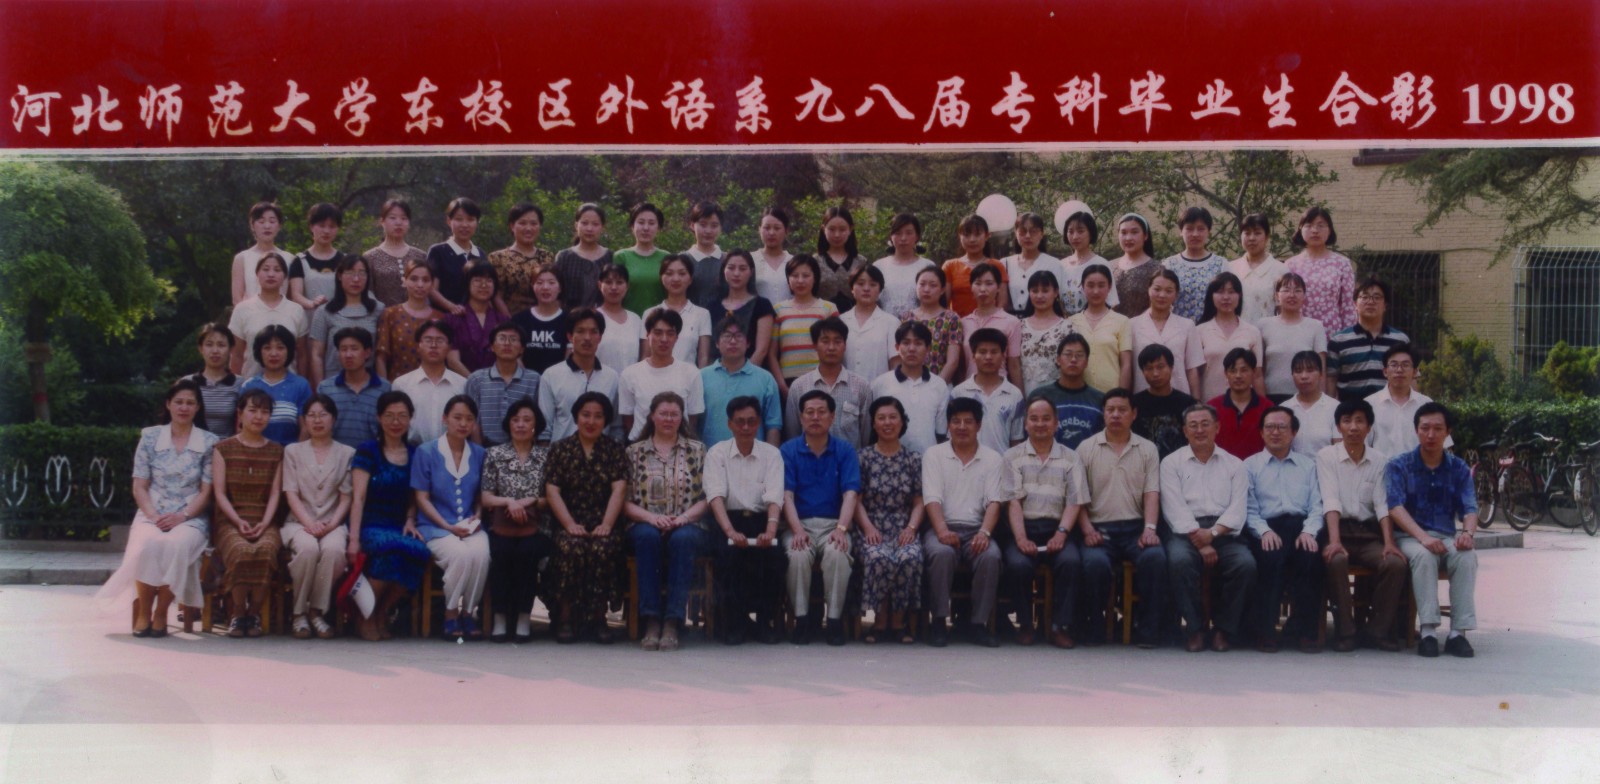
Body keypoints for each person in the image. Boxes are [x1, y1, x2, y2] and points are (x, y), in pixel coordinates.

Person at [99, 379, 219, 638]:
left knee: (176, 545)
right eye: (179, 402)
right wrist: (154, 516)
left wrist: (182, 516)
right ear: (168, 404)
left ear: (198, 407)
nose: (184, 408)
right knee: (147, 544)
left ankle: (162, 612)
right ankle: (145, 611)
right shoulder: (150, 437)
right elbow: (139, 486)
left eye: (190, 403)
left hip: (190, 515)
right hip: (152, 512)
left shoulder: (209, 442)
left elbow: (206, 491)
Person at [1385, 402, 1480, 658]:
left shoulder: (1459, 468)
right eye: (1425, 428)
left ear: (1447, 432)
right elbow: (1394, 507)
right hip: (1410, 537)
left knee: (1466, 556)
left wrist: (1467, 534)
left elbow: (1470, 507)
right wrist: (1423, 537)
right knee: (1424, 556)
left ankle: (1458, 633)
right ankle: (1427, 632)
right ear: (1416, 430)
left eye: (1438, 429)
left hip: (1446, 537)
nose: (1431, 434)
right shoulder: (1399, 465)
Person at [1072, 390, 1165, 648]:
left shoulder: (1147, 449)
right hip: (1099, 530)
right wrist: (1087, 530)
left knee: (1155, 558)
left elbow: (1151, 492)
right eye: (1110, 410)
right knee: (1095, 564)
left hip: (1136, 528)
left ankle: (1146, 629)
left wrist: (1149, 528)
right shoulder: (1086, 448)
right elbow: (1077, 497)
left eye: (1122, 410)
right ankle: (1096, 626)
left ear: (1134, 414)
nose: (1115, 415)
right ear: (1103, 414)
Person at [1162, 404, 1254, 652]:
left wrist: (1212, 534)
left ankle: (1223, 629)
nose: (1199, 430)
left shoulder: (1235, 464)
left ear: (1217, 427)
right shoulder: (1171, 463)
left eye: (1205, 424)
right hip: (1186, 532)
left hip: (1223, 532)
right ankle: (1195, 629)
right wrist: (1200, 541)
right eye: (1193, 425)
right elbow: (1174, 507)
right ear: (1184, 430)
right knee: (1179, 561)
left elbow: (1237, 509)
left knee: (1245, 565)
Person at [921, 397, 1012, 647]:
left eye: (968, 422)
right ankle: (939, 621)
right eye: (956, 421)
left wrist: (985, 533)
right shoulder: (934, 454)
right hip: (942, 526)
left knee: (991, 556)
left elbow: (994, 501)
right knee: (941, 554)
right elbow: (931, 498)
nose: (962, 427)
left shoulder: (993, 458)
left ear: (979, 425)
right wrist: (942, 531)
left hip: (977, 528)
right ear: (948, 425)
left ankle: (978, 624)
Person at [1318, 399, 1407, 653]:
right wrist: (1335, 541)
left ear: (1369, 427)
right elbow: (1330, 499)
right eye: (1347, 421)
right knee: (1336, 560)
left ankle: (1376, 631)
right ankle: (1346, 632)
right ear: (1338, 427)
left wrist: (1389, 543)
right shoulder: (1326, 457)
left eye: (1360, 421)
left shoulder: (1380, 460)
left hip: (1368, 534)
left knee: (1394, 563)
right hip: (1338, 530)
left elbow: (1382, 503)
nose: (1353, 427)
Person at [623, 393, 710, 652]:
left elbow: (708, 498)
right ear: (652, 416)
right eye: (663, 413)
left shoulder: (697, 450)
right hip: (644, 523)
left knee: (684, 539)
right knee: (647, 536)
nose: (669, 419)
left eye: (674, 414)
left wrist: (682, 519)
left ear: (682, 418)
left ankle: (672, 620)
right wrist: (652, 518)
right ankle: (651, 620)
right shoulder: (634, 452)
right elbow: (624, 502)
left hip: (688, 523)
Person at [1000, 396, 1088, 647]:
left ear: (1056, 423)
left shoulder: (1071, 457)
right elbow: (1013, 502)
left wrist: (1061, 533)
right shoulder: (1012, 456)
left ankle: (1059, 626)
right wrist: (1020, 538)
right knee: (1018, 565)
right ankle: (1026, 624)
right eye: (1034, 419)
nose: (1040, 424)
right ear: (1026, 424)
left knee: (1071, 562)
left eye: (1046, 419)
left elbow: (1074, 501)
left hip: (1057, 528)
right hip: (1023, 529)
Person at [1242, 406, 1325, 653]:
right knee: (1271, 560)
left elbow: (1317, 505)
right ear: (1261, 432)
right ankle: (1265, 631)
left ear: (1294, 432)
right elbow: (1248, 509)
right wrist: (1264, 532)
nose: (1275, 432)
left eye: (1282, 427)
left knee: (1310, 559)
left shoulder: (1308, 465)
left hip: (1301, 526)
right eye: (1270, 427)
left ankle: (1305, 632)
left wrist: (1309, 532)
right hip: (1267, 527)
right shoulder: (1249, 466)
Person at [705, 395, 788, 645]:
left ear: (759, 422)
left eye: (751, 421)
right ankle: (736, 623)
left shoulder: (772, 454)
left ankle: (764, 623)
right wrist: (730, 531)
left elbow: (775, 496)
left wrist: (771, 530)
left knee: (774, 558)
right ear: (729, 424)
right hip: (727, 520)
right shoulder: (717, 453)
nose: (745, 427)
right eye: (739, 421)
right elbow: (715, 496)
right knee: (728, 557)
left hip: (762, 520)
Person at [781, 390, 861, 646]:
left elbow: (851, 494)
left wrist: (841, 528)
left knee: (838, 552)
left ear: (832, 416)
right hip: (799, 524)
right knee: (797, 555)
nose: (815, 417)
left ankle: (834, 621)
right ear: (801, 417)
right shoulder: (788, 450)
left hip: (833, 524)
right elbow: (786, 496)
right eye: (809, 412)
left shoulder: (845, 450)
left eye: (821, 412)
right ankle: (802, 620)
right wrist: (797, 530)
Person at [347, 391, 427, 641]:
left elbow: (414, 497)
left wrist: (411, 519)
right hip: (370, 523)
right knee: (390, 550)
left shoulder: (415, 453)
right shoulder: (367, 451)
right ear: (379, 418)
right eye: (390, 416)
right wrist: (353, 539)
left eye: (402, 416)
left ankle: (381, 612)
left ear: (410, 418)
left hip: (399, 524)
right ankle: (365, 616)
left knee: (419, 551)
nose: (396, 422)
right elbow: (358, 497)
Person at [410, 395, 490, 640]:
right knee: (460, 555)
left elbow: (481, 494)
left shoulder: (479, 453)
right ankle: (450, 612)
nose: (463, 424)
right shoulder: (426, 451)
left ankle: (468, 612)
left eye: (469, 419)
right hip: (435, 526)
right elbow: (421, 497)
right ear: (445, 419)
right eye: (457, 417)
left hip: (469, 525)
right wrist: (447, 526)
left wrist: (478, 515)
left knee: (481, 554)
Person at [478, 398, 554, 644]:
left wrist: (531, 501)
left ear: (535, 426)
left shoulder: (546, 456)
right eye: (515, 420)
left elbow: (551, 499)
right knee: (501, 551)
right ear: (508, 424)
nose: (520, 424)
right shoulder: (494, 454)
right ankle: (500, 616)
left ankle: (523, 616)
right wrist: (509, 502)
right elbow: (486, 497)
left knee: (527, 552)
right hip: (501, 525)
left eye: (526, 420)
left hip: (538, 526)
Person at [211, 389, 286, 638]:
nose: (258, 416)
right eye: (252, 410)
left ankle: (253, 613)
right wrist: (237, 520)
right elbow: (220, 493)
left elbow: (275, 493)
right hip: (230, 520)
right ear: (240, 414)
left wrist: (265, 523)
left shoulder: (277, 451)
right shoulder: (222, 449)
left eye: (265, 412)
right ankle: (237, 612)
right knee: (241, 551)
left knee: (265, 550)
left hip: (265, 519)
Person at [279, 394, 355, 639]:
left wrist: (332, 524)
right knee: (308, 549)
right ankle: (299, 613)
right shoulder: (293, 451)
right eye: (311, 415)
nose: (317, 420)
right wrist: (309, 524)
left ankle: (316, 612)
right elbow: (291, 493)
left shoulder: (347, 453)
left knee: (334, 551)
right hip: (299, 522)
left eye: (323, 414)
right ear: (304, 420)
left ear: (334, 419)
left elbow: (346, 496)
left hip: (333, 522)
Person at [854, 397, 924, 645]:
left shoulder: (913, 459)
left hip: (904, 527)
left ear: (902, 422)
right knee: (878, 557)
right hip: (871, 526)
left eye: (893, 417)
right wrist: (868, 528)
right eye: (881, 418)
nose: (887, 423)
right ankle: (879, 622)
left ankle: (899, 622)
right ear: (873, 424)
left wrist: (911, 528)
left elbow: (919, 502)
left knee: (910, 556)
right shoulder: (863, 457)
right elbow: (856, 501)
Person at [785, 316, 874, 447]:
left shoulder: (861, 386)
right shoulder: (799, 387)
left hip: (849, 460)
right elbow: (792, 434)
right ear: (815, 346)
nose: (831, 347)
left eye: (837, 341)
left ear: (845, 346)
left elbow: (866, 436)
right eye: (825, 341)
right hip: (809, 459)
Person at [538, 308, 622, 444]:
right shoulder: (551, 375)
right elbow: (544, 430)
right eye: (580, 331)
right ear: (570, 336)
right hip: (561, 454)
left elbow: (616, 426)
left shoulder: (612, 377)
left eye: (593, 332)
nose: (587, 337)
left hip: (601, 455)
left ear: (600, 337)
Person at [619, 309, 705, 440]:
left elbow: (693, 418)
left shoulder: (691, 373)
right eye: (658, 333)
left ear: (676, 338)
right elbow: (628, 418)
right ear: (648, 335)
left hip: (679, 446)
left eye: (670, 334)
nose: (664, 339)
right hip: (640, 446)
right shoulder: (630, 374)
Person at [869, 321, 950, 454]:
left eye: (918, 343)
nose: (912, 348)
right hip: (889, 460)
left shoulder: (939, 385)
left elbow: (941, 432)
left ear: (928, 349)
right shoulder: (880, 384)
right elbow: (872, 429)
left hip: (929, 460)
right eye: (906, 343)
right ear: (897, 347)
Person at [701, 317, 782, 447]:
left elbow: (773, 424)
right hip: (710, 456)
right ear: (716, 343)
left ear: (748, 343)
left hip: (754, 456)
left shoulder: (765, 379)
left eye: (738, 336)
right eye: (727, 336)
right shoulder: (701, 377)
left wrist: (772, 456)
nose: (733, 341)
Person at [1327, 278, 1410, 403]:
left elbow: (1411, 378)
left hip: (1389, 409)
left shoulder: (1400, 340)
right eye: (1364, 297)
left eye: (1377, 297)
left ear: (1385, 305)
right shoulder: (1338, 341)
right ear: (1355, 304)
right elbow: (1330, 380)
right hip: (1351, 410)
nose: (1370, 302)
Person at [229, 251, 309, 378]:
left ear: (285, 277)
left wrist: (302, 383)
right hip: (251, 385)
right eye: (265, 269)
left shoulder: (296, 310)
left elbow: (302, 354)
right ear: (257, 274)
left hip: (289, 386)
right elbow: (236, 354)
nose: (271, 274)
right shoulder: (242, 310)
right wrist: (235, 386)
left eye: (277, 270)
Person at [309, 254, 384, 387]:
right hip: (333, 383)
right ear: (339, 276)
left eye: (362, 273)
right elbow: (317, 354)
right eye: (350, 273)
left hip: (369, 384)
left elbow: (381, 354)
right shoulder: (324, 311)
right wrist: (321, 388)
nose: (356, 279)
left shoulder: (378, 310)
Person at [463, 321, 541, 447]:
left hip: (522, 448)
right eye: (502, 338)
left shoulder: (534, 379)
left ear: (522, 349)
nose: (507, 343)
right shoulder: (476, 379)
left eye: (513, 339)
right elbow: (472, 420)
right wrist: (479, 452)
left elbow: (538, 420)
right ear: (492, 347)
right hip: (485, 448)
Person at [770, 254, 841, 392]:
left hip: (821, 380)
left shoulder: (828, 309)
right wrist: (782, 385)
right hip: (788, 382)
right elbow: (772, 354)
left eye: (806, 275)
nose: (800, 280)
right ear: (788, 279)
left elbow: (838, 347)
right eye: (795, 276)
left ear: (815, 278)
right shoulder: (778, 310)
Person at [1285, 206, 1357, 339]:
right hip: (1298, 334)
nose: (1315, 230)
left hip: (1332, 335)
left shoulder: (1342, 264)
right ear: (1300, 229)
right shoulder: (1290, 265)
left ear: (1330, 230)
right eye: (1309, 225)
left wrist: (1348, 339)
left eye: (1320, 225)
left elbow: (1348, 307)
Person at [1367, 343, 1450, 456]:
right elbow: (1362, 446)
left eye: (1405, 365)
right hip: (1381, 467)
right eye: (1394, 365)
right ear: (1385, 371)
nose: (1399, 370)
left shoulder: (1426, 404)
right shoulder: (1370, 405)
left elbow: (1443, 446)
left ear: (1415, 372)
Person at [952, 328, 1025, 456]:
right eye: (982, 352)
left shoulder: (1014, 394)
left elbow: (1016, 440)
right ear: (973, 356)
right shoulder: (959, 393)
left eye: (994, 352)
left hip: (1001, 464)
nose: (988, 357)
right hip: (966, 464)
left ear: (1003, 355)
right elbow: (952, 438)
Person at [1130, 268, 1203, 395]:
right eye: (1157, 289)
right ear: (1148, 290)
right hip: (1142, 396)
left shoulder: (1187, 326)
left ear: (1176, 294)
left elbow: (1192, 369)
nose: (1162, 295)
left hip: (1179, 396)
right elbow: (1129, 369)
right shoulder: (1132, 325)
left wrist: (1196, 401)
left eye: (1169, 291)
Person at [392, 320, 467, 444]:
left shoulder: (462, 384)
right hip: (413, 451)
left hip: (452, 451)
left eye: (440, 340)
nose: (433, 345)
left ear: (449, 347)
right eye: (428, 340)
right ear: (419, 346)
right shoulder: (401, 384)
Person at [1257, 273, 1327, 402]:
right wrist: (1262, 403)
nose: (1292, 295)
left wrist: (1322, 402)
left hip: (1306, 397)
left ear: (1304, 296)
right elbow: (1258, 370)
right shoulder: (1263, 325)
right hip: (1271, 397)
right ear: (1276, 295)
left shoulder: (1316, 326)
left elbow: (1321, 370)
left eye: (1297, 291)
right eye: (1286, 290)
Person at [1027, 333, 1104, 450]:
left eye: (1079, 355)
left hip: (1089, 461)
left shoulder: (1099, 400)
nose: (1073, 359)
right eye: (1068, 354)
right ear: (1058, 360)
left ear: (1087, 362)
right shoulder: (1040, 397)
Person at [1195, 272, 1265, 400]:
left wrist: (1263, 408)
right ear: (1211, 296)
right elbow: (1195, 374)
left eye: (1231, 292)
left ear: (1240, 295)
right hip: (1209, 403)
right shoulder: (1199, 331)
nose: (1226, 297)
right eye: (1220, 292)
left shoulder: (1252, 331)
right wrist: (1197, 405)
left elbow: (1258, 375)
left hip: (1244, 403)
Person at [318, 327, 391, 448]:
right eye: (343, 349)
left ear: (367, 353)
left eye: (354, 349)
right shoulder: (325, 388)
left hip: (372, 456)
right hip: (335, 456)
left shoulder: (384, 388)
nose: (348, 355)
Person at [239, 325, 312, 446]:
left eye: (280, 348)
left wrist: (294, 454)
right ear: (259, 351)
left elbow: (305, 428)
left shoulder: (301, 385)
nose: (273, 353)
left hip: (290, 454)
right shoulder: (249, 386)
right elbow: (240, 427)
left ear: (289, 351)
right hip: (254, 453)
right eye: (267, 348)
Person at [374, 258, 444, 381]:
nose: (420, 285)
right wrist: (385, 389)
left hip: (433, 385)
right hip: (397, 386)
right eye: (414, 279)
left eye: (425, 280)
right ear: (404, 281)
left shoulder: (440, 318)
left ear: (432, 284)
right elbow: (381, 358)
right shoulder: (390, 314)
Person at [1067, 265, 1133, 392]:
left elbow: (1126, 364)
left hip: (1111, 393)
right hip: (1079, 394)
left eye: (1101, 285)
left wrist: (1121, 396)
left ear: (1109, 287)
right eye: (1090, 285)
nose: (1096, 291)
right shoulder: (1071, 322)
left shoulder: (1122, 321)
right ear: (1082, 287)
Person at [1162, 206, 1231, 322]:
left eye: (1201, 229)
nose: (1195, 234)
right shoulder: (1169, 265)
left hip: (1213, 329)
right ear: (1181, 231)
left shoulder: (1221, 264)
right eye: (1189, 229)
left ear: (1208, 231)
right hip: (1178, 329)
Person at [959, 262, 1024, 383]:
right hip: (969, 388)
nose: (983, 289)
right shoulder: (963, 323)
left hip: (1000, 388)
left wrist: (1020, 393)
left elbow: (1014, 365)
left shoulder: (1011, 322)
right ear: (971, 287)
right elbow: (962, 366)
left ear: (998, 287)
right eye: (978, 283)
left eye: (989, 283)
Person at [644, 254, 713, 367]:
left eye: (682, 273)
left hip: (688, 376)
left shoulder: (702, 314)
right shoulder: (650, 313)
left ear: (690, 279)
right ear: (661, 278)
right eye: (669, 273)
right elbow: (645, 356)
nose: (676, 279)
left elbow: (703, 357)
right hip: (655, 376)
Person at [897, 265, 963, 384]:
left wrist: (936, 386)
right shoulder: (905, 318)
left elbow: (952, 362)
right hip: (907, 384)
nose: (926, 289)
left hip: (940, 384)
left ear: (942, 290)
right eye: (922, 284)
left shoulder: (951, 319)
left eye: (933, 285)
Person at [488, 201, 554, 316]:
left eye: (533, 223)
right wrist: (510, 321)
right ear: (512, 226)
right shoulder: (497, 258)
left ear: (540, 226)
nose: (528, 228)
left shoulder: (547, 257)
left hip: (543, 319)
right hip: (510, 320)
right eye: (522, 223)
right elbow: (496, 296)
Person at [1130, 345, 1197, 458]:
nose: (1155, 373)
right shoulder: (1134, 403)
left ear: (1171, 367)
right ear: (1142, 371)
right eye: (1149, 368)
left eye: (1160, 367)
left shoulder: (1187, 403)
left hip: (1179, 463)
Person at [288, 203, 354, 317]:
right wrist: (312, 303)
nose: (326, 231)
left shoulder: (346, 260)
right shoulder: (299, 261)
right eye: (322, 225)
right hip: (309, 320)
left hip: (340, 321)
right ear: (311, 226)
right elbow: (296, 295)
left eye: (332, 226)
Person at [712, 249, 776, 366]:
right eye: (731, 268)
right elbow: (709, 349)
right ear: (723, 270)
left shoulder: (762, 305)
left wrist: (744, 374)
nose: (736, 273)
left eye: (742, 269)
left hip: (752, 372)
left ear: (751, 272)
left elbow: (761, 351)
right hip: (717, 373)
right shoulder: (712, 307)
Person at [363, 198, 429, 307]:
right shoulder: (370, 257)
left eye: (404, 218)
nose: (398, 222)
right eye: (392, 218)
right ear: (382, 222)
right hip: (383, 315)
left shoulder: (421, 256)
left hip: (417, 315)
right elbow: (367, 294)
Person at [425, 197, 486, 312]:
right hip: (445, 317)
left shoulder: (480, 254)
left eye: (470, 220)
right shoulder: (438, 251)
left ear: (477, 222)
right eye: (459, 219)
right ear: (449, 221)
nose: (465, 225)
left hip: (475, 318)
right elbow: (431, 290)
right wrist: (452, 307)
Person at [445, 262, 507, 376]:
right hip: (461, 382)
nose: (484, 285)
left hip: (498, 382)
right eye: (477, 280)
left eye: (489, 280)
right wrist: (475, 382)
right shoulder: (453, 320)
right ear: (467, 284)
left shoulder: (503, 320)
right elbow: (453, 361)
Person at [839, 265, 899, 383]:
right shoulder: (841, 321)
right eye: (860, 284)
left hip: (880, 389)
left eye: (873, 284)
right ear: (852, 288)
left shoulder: (891, 323)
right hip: (845, 389)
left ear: (880, 290)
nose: (866, 288)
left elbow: (896, 365)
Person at [1018, 270, 1073, 396]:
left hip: (1058, 396)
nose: (1039, 296)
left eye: (1045, 290)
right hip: (1026, 396)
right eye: (1035, 291)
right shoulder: (1019, 326)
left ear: (1056, 292)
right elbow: (1014, 366)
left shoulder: (1067, 327)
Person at [872, 212, 937, 318]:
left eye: (909, 233)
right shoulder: (878, 266)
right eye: (898, 233)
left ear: (917, 236)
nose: (903, 238)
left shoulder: (927, 266)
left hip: (919, 324)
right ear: (891, 236)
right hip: (883, 324)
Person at [1001, 212, 1065, 318]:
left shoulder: (1054, 264)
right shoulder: (1004, 264)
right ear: (1016, 233)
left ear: (1041, 234)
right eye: (1023, 231)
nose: (1028, 236)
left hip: (1043, 321)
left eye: (1033, 231)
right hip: (1010, 323)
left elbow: (1059, 299)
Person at [1210, 347, 1270, 459]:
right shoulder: (1212, 408)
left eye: (1244, 370)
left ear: (1254, 372)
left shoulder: (1267, 408)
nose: (1238, 376)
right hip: (1221, 467)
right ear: (1226, 373)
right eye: (1233, 371)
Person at [509, 264, 570, 374]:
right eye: (539, 282)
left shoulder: (570, 320)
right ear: (532, 286)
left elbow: (570, 356)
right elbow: (514, 355)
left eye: (551, 283)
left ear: (560, 287)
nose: (545, 287)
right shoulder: (519, 320)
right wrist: (528, 379)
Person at [552, 203, 613, 312]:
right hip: (569, 318)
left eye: (595, 224)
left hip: (603, 319)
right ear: (576, 225)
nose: (589, 228)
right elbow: (556, 295)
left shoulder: (611, 257)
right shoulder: (564, 257)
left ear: (602, 227)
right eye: (584, 223)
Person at [1229, 212, 1287, 324]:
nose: (1252, 238)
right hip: (1235, 332)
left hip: (1268, 332)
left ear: (1267, 236)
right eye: (1247, 233)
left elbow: (1284, 311)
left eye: (1257, 233)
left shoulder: (1280, 270)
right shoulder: (1230, 268)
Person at [230, 201, 292, 305]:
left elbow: (292, 298)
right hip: (249, 314)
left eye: (272, 221)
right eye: (261, 221)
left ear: (279, 226)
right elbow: (237, 299)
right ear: (252, 225)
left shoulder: (289, 259)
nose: (267, 226)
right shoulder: (242, 258)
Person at [186, 322, 241, 438]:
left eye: (221, 345)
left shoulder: (240, 384)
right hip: (193, 446)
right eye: (209, 345)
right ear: (200, 348)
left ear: (230, 349)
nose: (215, 350)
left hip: (227, 446)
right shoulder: (187, 383)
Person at [1281, 351, 1339, 457]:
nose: (1304, 376)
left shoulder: (1335, 408)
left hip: (1324, 467)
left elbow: (1339, 449)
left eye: (1310, 370)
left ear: (1321, 374)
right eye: (1298, 371)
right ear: (1292, 375)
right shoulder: (1283, 409)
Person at [614, 202, 669, 313]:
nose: (646, 228)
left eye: (651, 223)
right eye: (641, 222)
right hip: (627, 320)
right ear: (632, 226)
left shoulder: (667, 258)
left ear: (659, 228)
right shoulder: (621, 257)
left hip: (659, 320)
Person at [1059, 210, 1116, 316]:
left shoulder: (1101, 264)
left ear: (1091, 232)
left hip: (1095, 323)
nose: (1075, 237)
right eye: (1070, 231)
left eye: (1080, 231)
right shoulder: (1061, 266)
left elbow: (1112, 302)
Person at [944, 214, 1002, 316]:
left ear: (987, 236)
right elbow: (944, 304)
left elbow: (1002, 303)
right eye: (967, 235)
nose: (972, 239)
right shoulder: (949, 266)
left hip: (991, 323)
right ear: (959, 236)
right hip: (958, 323)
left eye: (977, 234)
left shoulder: (997, 265)